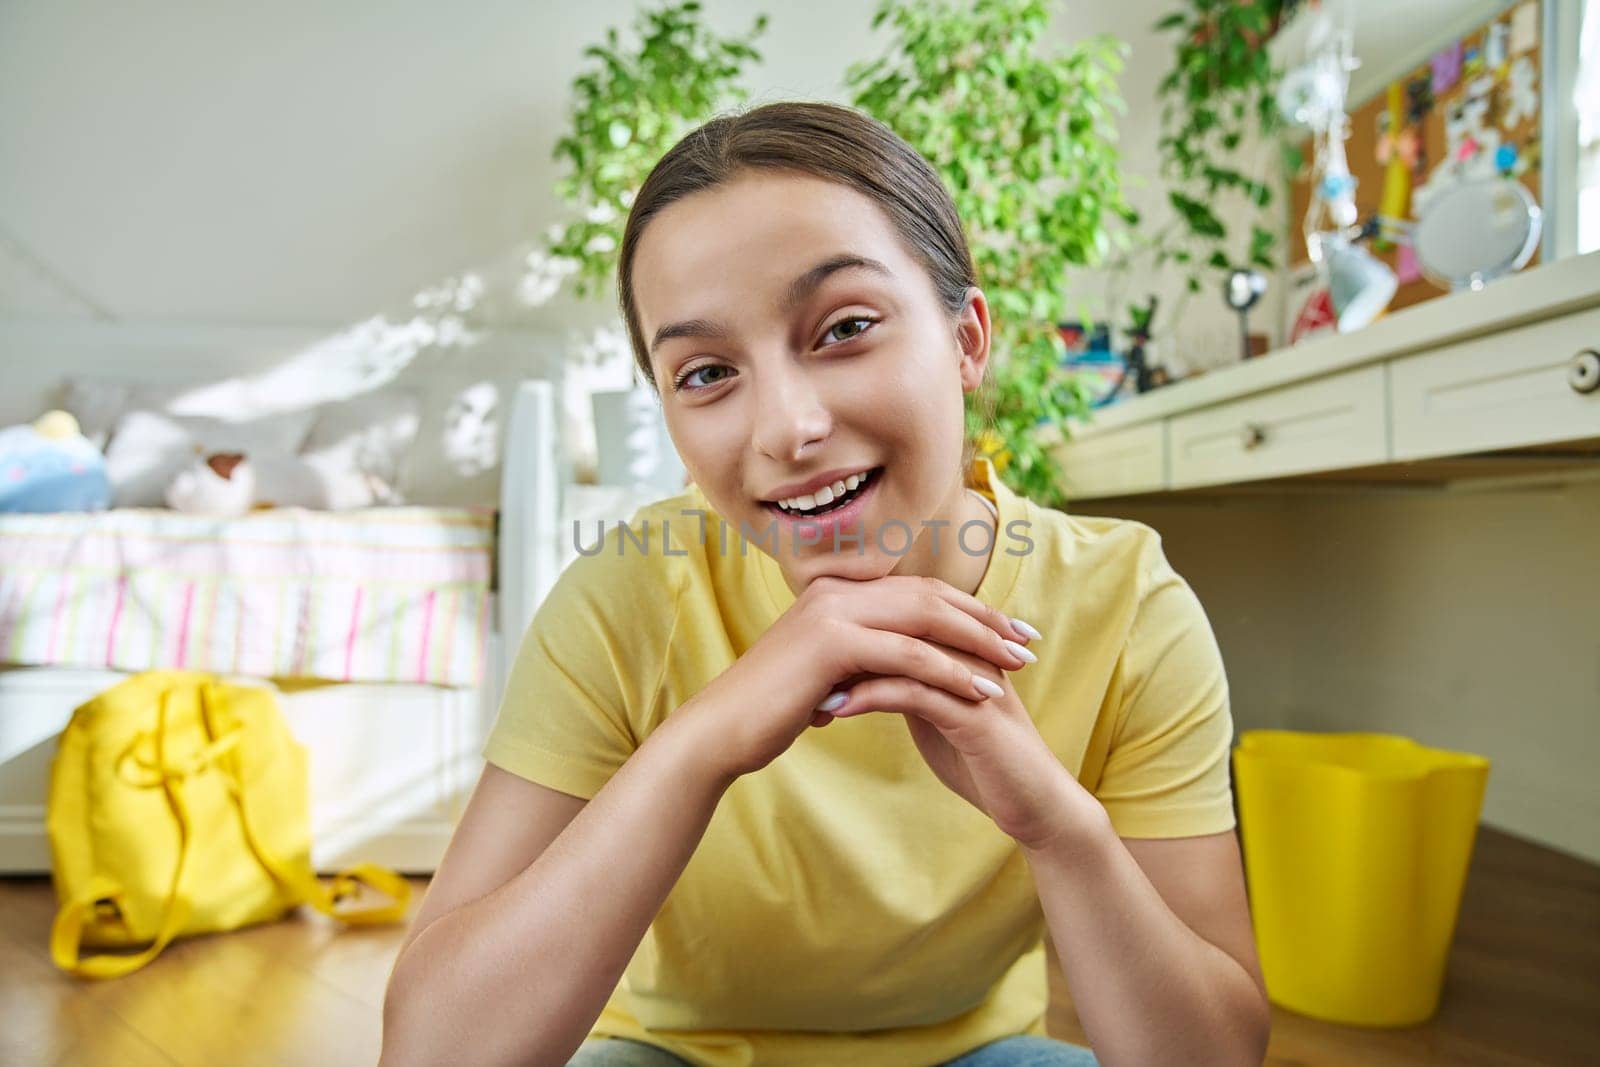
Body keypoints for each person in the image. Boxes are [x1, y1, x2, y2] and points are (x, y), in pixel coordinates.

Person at [380, 101, 1270, 1067]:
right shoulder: (627, 594)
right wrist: (704, 742)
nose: (785, 428)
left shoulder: (1124, 604)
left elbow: (1213, 1055)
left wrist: (1058, 828)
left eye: (845, 327)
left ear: (968, 339)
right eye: (708, 372)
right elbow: (433, 1053)